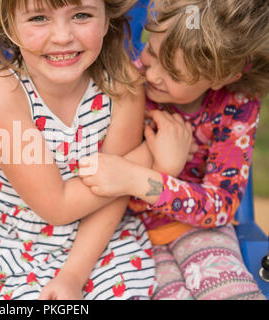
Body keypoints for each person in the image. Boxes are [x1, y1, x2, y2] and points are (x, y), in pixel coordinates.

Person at [0, 0, 156, 300]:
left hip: (100, 237)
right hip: (21, 243)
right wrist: (147, 157)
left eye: (81, 15)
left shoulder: (123, 86)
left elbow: (115, 192)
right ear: (9, 24)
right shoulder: (3, 97)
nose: (62, 36)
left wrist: (73, 276)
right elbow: (58, 206)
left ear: (107, 18)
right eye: (39, 18)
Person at [79, 0, 268, 299]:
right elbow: (104, 178)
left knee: (230, 290)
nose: (152, 76)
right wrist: (162, 169)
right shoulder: (128, 84)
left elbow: (221, 204)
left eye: (176, 75)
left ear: (221, 78)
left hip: (199, 229)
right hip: (127, 232)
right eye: (152, 52)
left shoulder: (237, 104)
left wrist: (141, 179)